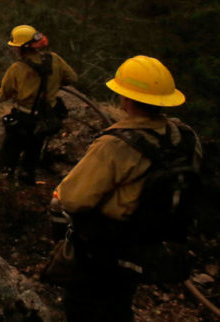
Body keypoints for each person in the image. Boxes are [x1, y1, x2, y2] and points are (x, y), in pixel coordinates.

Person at [51, 56, 202, 322]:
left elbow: (73, 199)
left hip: (107, 248)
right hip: (152, 242)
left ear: (125, 99)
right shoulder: (186, 137)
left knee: (89, 308)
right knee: (119, 304)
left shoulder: (115, 144)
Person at [0, 24, 78, 184]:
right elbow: (72, 78)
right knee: (33, 152)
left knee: (9, 155)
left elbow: (2, 94)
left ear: (23, 47)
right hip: (45, 119)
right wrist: (52, 82)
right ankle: (26, 182)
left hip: (23, 119)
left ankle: (4, 185)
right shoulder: (55, 59)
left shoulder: (17, 68)